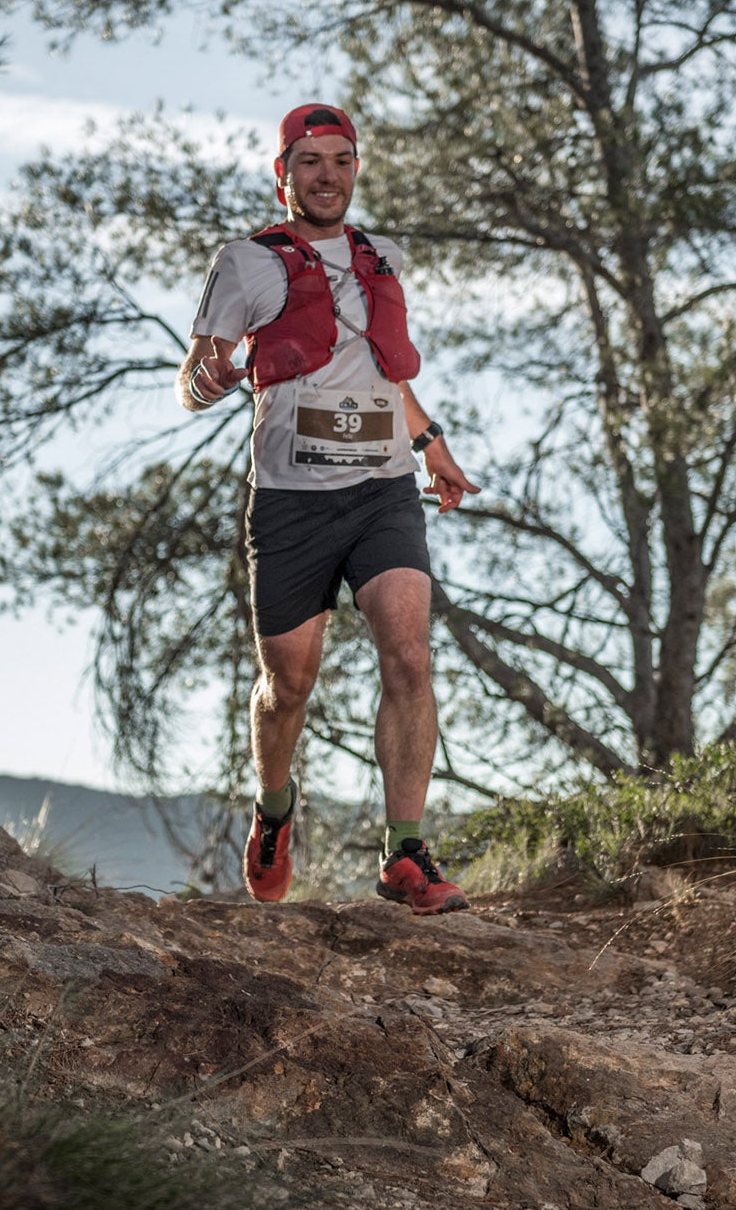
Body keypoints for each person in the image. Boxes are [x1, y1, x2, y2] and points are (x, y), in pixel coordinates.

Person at [177, 102, 481, 915]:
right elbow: (193, 379)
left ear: (355, 169)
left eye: (341, 161)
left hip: (380, 492)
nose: (327, 176)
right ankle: (275, 808)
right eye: (310, 162)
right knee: (290, 684)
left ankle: (404, 853)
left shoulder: (382, 256)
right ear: (283, 175)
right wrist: (220, 373)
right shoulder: (246, 262)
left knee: (409, 656)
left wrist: (431, 443)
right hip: (289, 502)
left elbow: (384, 373)